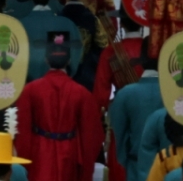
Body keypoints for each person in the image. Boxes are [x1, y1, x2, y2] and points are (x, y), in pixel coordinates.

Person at [15, 35, 102, 181]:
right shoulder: (82, 93)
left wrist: (24, 161)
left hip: (40, 151)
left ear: (46, 60)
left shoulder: (29, 90)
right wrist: (85, 167)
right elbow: (92, 136)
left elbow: (22, 132)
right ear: (68, 60)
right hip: (70, 151)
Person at [109, 50, 163, 181]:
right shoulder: (177, 96)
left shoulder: (125, 94)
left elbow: (118, 135)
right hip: (167, 166)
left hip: (135, 165)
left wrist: (125, 159)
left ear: (141, 62)